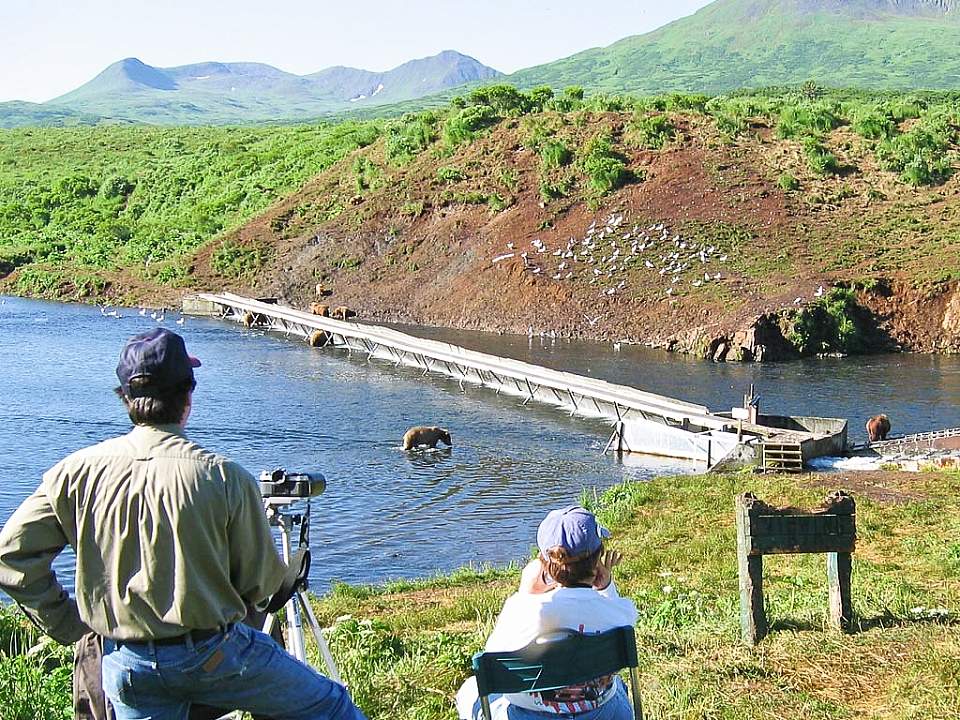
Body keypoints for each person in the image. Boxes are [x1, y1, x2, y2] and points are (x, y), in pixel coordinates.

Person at [0, 327, 365, 720]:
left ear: (125, 398)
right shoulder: (224, 477)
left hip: (126, 663)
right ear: (188, 396)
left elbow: (11, 558)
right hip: (214, 655)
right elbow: (261, 585)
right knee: (330, 704)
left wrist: (71, 624)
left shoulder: (72, 473)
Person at [456, 505, 638, 720]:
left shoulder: (523, 610)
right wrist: (606, 587)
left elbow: (492, 655)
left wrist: (525, 593)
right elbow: (626, 621)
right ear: (599, 558)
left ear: (543, 563)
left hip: (529, 716)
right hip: (604, 714)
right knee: (619, 685)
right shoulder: (613, 609)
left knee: (469, 690)